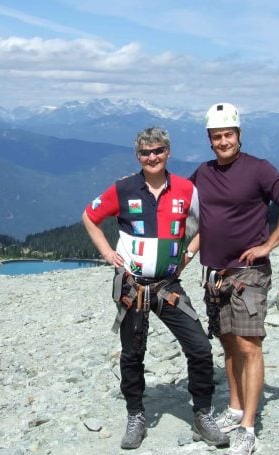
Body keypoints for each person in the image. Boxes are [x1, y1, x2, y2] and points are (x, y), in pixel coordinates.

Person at [82, 126, 229, 450]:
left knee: (200, 348)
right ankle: (136, 415)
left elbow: (208, 223)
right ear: (138, 156)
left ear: (168, 152)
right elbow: (89, 216)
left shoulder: (185, 189)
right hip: (131, 284)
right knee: (133, 353)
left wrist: (189, 253)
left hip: (168, 285)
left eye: (158, 150)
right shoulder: (123, 189)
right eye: (146, 152)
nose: (152, 157)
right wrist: (107, 253)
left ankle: (202, 415)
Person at [183, 103, 279, 455]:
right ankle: (235, 408)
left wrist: (268, 245)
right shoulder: (203, 173)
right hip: (216, 274)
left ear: (239, 135)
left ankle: (249, 426)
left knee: (250, 346)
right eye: (216, 136)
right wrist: (186, 253)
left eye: (228, 135)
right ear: (209, 140)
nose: (223, 141)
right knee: (229, 343)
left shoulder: (258, 169)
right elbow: (192, 214)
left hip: (248, 273)